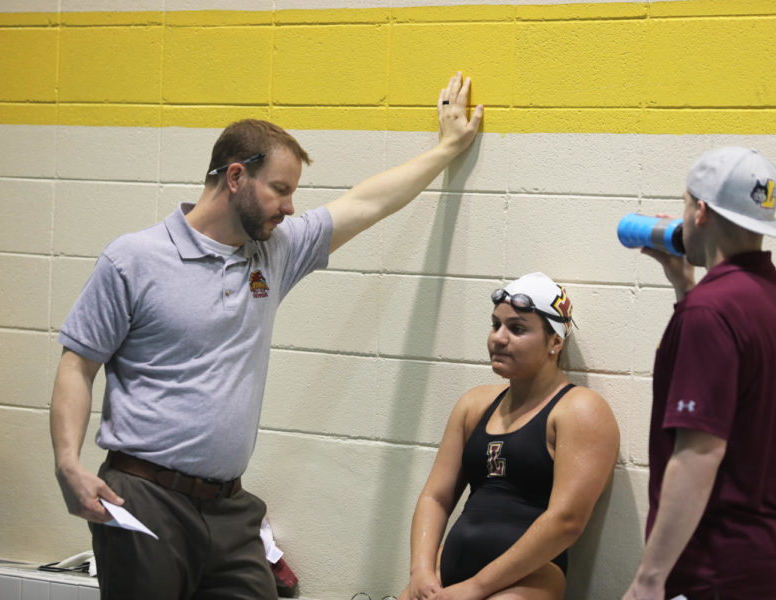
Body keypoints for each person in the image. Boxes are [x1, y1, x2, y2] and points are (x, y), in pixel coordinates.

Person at [50, 72, 483, 600]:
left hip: (229, 509)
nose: (290, 206)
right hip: (144, 497)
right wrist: (68, 465)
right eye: (280, 189)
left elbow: (366, 203)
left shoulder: (273, 252)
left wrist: (447, 147)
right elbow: (79, 365)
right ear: (235, 177)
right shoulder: (134, 259)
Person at [622, 147, 776, 600]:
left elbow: (700, 453)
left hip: (709, 568)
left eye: (686, 203)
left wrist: (649, 580)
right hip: (764, 562)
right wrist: (684, 285)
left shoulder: (709, 313)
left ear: (701, 211)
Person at [401, 273, 619, 600]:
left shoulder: (580, 410)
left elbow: (566, 521)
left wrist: (475, 588)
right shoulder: (475, 404)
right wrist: (420, 570)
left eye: (517, 329)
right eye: (495, 325)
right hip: (448, 571)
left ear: (555, 342)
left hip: (526, 581)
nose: (498, 339)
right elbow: (436, 496)